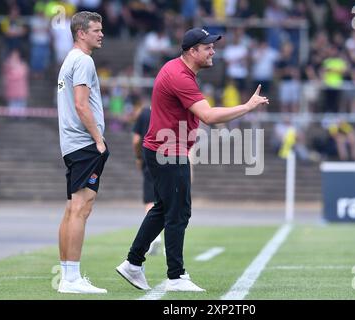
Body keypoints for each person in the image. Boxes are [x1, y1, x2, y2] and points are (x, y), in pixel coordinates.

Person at [116, 27, 269, 292]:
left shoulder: (178, 69)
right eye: (207, 47)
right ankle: (175, 276)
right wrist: (246, 107)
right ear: (191, 51)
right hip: (168, 151)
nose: (213, 51)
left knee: (164, 209)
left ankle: (133, 263)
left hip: (165, 149)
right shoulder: (180, 76)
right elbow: (208, 116)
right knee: (178, 213)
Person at [56, 11, 109, 294]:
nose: (101, 34)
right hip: (84, 144)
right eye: (96, 30)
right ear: (81, 34)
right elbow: (81, 104)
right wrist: (99, 140)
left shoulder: (69, 59)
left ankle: (67, 275)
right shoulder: (84, 60)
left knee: (71, 209)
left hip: (71, 144)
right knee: (81, 209)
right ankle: (72, 279)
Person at [132, 104, 162, 255]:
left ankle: (154, 235)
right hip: (169, 158)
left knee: (150, 199)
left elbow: (136, 140)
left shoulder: (143, 113)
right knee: (166, 200)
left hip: (149, 158)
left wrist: (138, 157)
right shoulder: (166, 109)